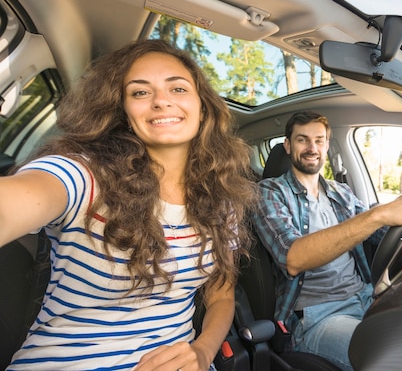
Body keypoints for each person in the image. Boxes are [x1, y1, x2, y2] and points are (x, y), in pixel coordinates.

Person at [0, 39, 257, 370]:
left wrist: (204, 350)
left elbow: (222, 292)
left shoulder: (222, 202)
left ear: (203, 107)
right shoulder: (86, 176)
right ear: (121, 110)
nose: (161, 101)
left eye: (178, 89)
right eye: (140, 92)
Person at [252, 111, 402, 370]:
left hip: (367, 298)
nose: (312, 148)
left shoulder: (340, 191)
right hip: (318, 317)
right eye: (302, 140)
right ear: (288, 146)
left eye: (319, 140)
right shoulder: (269, 192)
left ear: (327, 146)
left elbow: (380, 232)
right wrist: (379, 214)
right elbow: (292, 258)